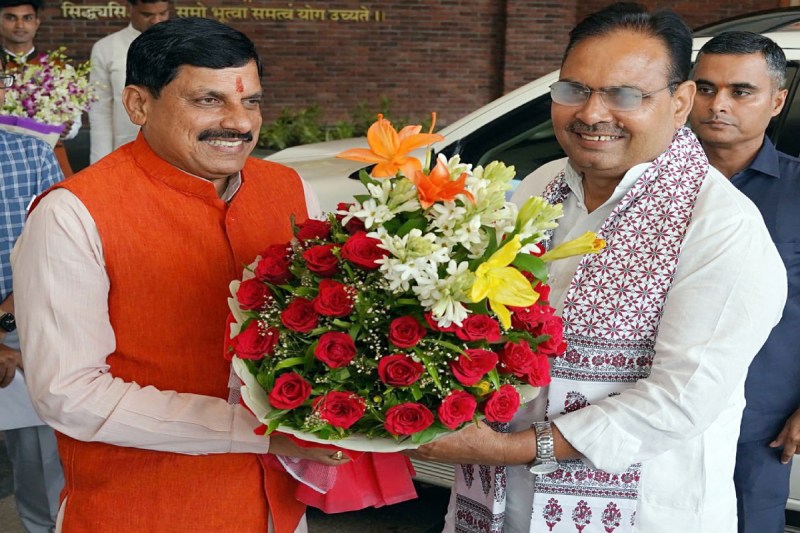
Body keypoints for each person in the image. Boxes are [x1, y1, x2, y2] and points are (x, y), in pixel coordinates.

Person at [408, 3, 787, 532]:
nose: (591, 113)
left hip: (638, 509)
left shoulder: (720, 226)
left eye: (625, 95)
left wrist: (513, 447)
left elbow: (680, 399)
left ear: (680, 102)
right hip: (500, 503)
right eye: (573, 90)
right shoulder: (543, 184)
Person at [12, 17, 348, 533]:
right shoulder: (73, 213)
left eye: (251, 100)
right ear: (138, 105)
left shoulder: (287, 188)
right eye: (208, 100)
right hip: (143, 509)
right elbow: (69, 393)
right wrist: (256, 430)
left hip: (278, 508)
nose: (239, 122)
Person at [688, 31, 800, 533]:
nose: (719, 105)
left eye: (741, 91)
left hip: (760, 424)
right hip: (651, 410)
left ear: (777, 100)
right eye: (706, 88)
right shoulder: (648, 185)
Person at [0, 55, 65, 533]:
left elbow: (61, 250)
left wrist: (8, 321)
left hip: (21, 331)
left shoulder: (32, 155)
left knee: (41, 466)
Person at [0, 0, 77, 176]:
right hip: (5, 159)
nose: (20, 25)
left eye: (27, 18)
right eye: (11, 18)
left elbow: (75, 120)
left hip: (52, 157)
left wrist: (67, 128)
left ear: (37, 22)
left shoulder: (59, 68)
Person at [88, 0, 169, 164]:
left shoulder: (184, 47)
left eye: (163, 13)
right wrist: (101, 164)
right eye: (147, 15)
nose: (156, 21)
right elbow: (99, 111)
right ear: (130, 9)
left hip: (176, 154)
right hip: (126, 151)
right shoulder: (106, 48)